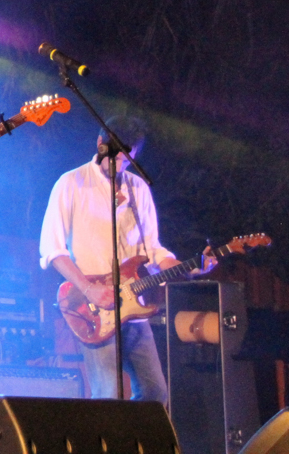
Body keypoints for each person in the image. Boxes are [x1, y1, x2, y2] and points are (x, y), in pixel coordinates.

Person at [38, 117, 211, 401]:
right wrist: (89, 289)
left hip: (133, 304)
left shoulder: (138, 188)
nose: (119, 162)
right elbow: (52, 249)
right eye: (115, 154)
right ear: (100, 143)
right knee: (109, 393)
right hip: (94, 306)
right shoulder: (71, 183)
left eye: (126, 157)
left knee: (155, 393)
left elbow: (152, 250)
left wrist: (190, 268)